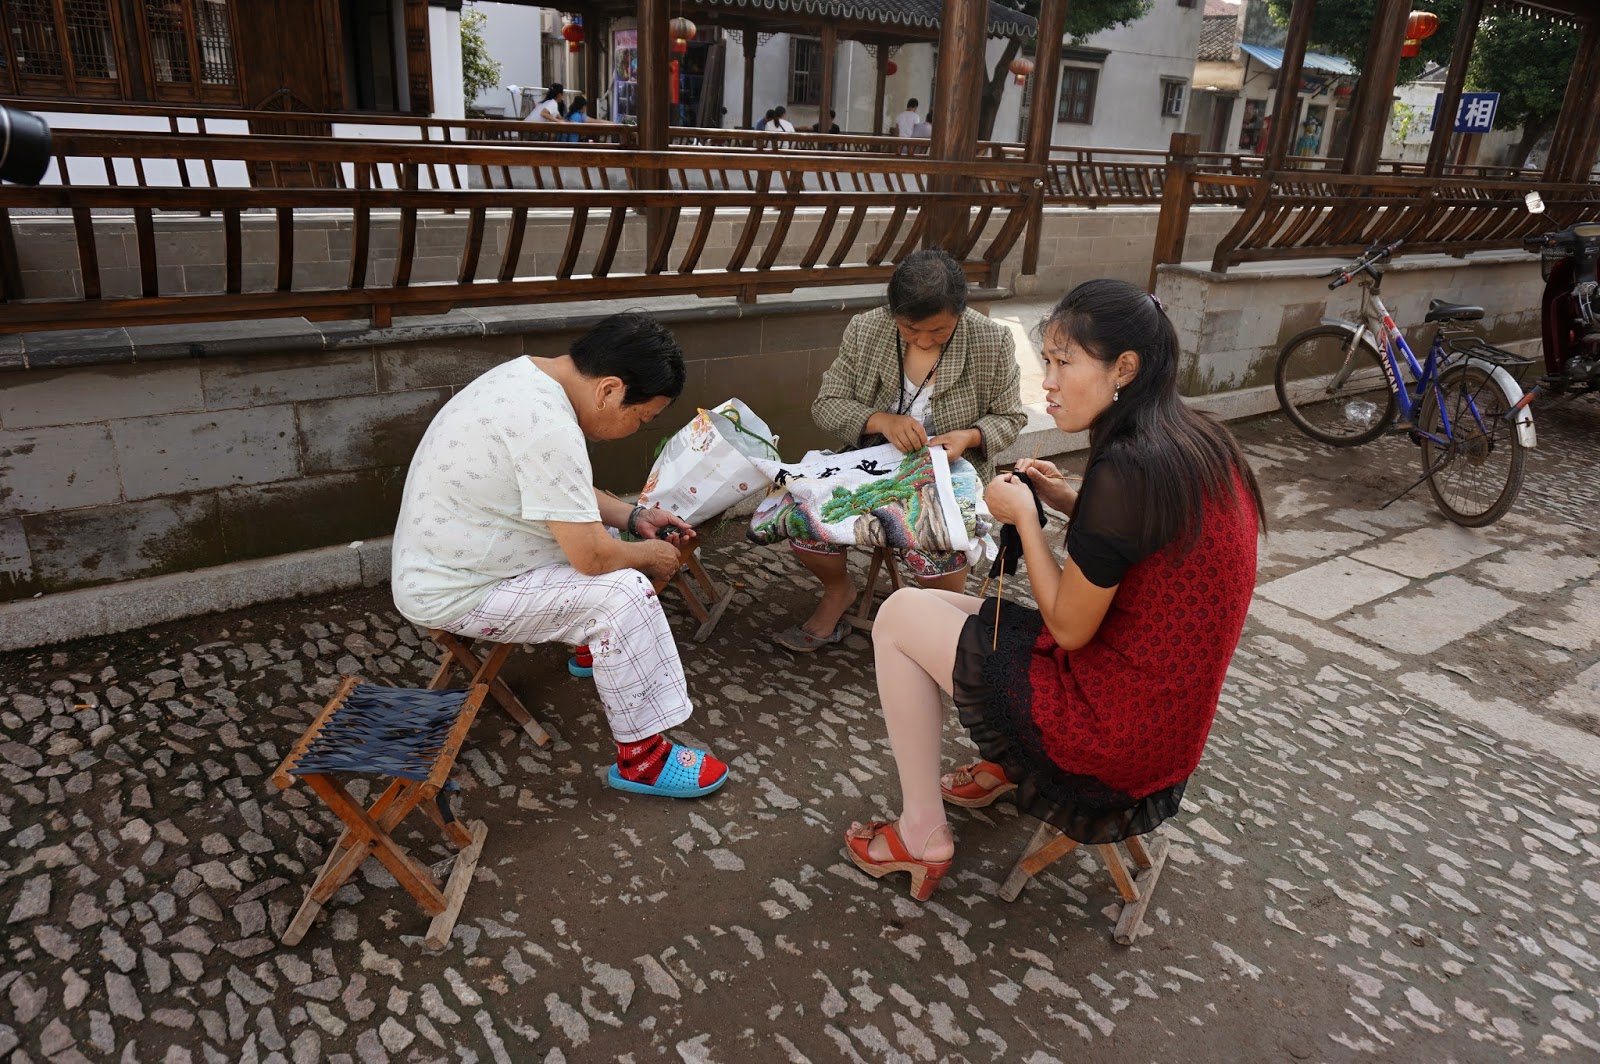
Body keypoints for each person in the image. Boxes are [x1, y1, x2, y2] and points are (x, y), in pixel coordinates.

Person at [842, 279, 1265, 899]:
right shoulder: (1197, 440)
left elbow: (1068, 627)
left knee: (899, 613)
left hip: (1109, 736)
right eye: (1047, 361)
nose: (1048, 382)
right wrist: (1068, 499)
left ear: (1124, 368)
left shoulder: (1128, 466)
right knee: (927, 603)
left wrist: (1025, 519)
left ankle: (922, 834)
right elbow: (1138, 545)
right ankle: (1003, 764)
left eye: (1064, 363)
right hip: (1164, 727)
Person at [391, 313, 730, 800]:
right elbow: (592, 559)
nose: (636, 429)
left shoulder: (527, 377)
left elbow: (558, 488)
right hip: (458, 589)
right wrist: (652, 556)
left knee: (607, 535)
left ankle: (595, 650)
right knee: (623, 593)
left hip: (448, 561)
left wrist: (634, 516)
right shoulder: (548, 426)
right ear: (609, 390)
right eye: (641, 418)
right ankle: (643, 759)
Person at [773, 249, 1027, 653]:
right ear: (893, 314)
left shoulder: (991, 340)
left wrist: (969, 436)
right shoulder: (866, 329)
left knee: (941, 539)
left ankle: (945, 620)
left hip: (948, 471)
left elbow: (1011, 416)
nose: (924, 340)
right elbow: (827, 403)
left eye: (939, 331)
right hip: (871, 462)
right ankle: (839, 591)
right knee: (798, 516)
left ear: (960, 313)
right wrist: (880, 421)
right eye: (910, 329)